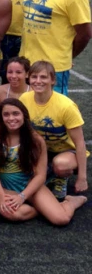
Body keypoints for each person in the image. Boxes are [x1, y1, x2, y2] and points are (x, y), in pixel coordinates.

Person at [0, 99, 86, 225]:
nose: (11, 118)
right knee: (10, 213)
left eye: (16, 114)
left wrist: (22, 197)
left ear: (24, 116)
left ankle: (71, 202)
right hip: (4, 186)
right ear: (1, 117)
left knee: (61, 219)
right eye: (6, 114)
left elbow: (40, 175)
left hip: (28, 185)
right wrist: (0, 194)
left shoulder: (36, 139)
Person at [20, 0, 91, 95]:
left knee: (52, 111)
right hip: (27, 62)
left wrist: (67, 55)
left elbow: (85, 33)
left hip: (54, 66)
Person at [20, 61, 88, 197]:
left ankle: (60, 177)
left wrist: (82, 178)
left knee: (61, 165)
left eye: (43, 77)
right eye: (34, 77)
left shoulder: (66, 106)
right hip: (41, 148)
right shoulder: (24, 99)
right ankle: (47, 170)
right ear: (29, 79)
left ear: (53, 80)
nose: (38, 81)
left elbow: (80, 143)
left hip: (66, 151)